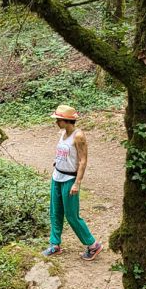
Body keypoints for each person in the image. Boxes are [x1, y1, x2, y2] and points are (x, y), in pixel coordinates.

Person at [42, 105, 103, 260]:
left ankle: (93, 245)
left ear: (67, 120)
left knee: (71, 215)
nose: (56, 122)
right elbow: (63, 153)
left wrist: (77, 183)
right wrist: (57, 162)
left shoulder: (79, 136)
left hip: (70, 179)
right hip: (57, 177)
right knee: (55, 212)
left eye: (58, 119)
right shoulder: (62, 133)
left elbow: (83, 161)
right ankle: (54, 245)